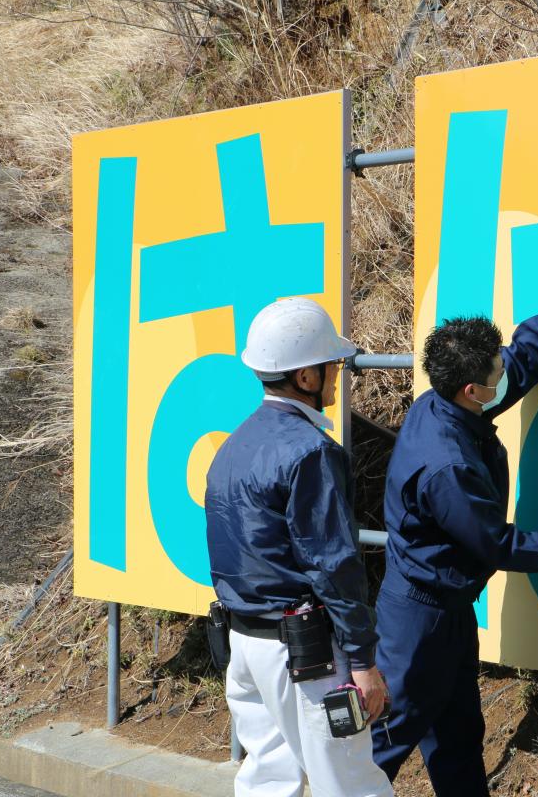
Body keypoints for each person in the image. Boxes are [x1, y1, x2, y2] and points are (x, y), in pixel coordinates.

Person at [371, 254, 538, 795]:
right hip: (417, 625)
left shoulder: (447, 400)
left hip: (447, 613)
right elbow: (497, 544)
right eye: (494, 375)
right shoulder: (447, 466)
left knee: (459, 738)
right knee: (384, 745)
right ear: (471, 391)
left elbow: (517, 361)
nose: (504, 373)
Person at [205, 297, 393, 797]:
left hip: (244, 645)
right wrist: (362, 660)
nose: (337, 374)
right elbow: (333, 563)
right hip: (306, 657)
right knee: (351, 784)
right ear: (306, 377)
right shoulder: (313, 452)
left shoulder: (233, 445)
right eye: (331, 365)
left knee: (267, 780)